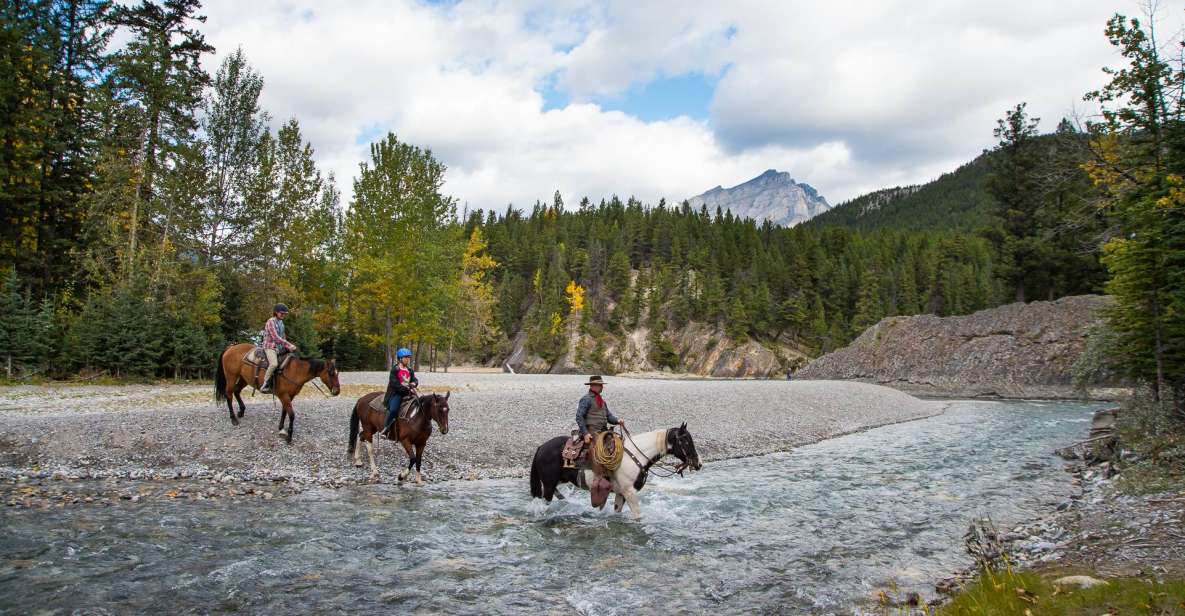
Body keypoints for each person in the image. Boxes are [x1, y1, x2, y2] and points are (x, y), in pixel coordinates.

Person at [380, 347, 418, 437]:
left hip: (409, 393)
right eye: (406, 358)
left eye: (409, 358)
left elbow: (415, 379)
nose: (408, 360)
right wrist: (407, 388)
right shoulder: (395, 369)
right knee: (393, 410)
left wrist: (414, 383)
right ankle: (386, 429)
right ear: (400, 359)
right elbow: (395, 384)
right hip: (397, 393)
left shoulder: (410, 370)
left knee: (420, 404)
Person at [260, 303, 297, 393]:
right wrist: (289, 345)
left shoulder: (281, 322)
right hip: (269, 346)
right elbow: (275, 337)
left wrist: (288, 347)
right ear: (276, 312)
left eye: (285, 314)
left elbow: (282, 337)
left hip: (279, 347)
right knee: (274, 364)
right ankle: (265, 384)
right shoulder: (271, 322)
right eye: (281, 313)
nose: (283, 315)